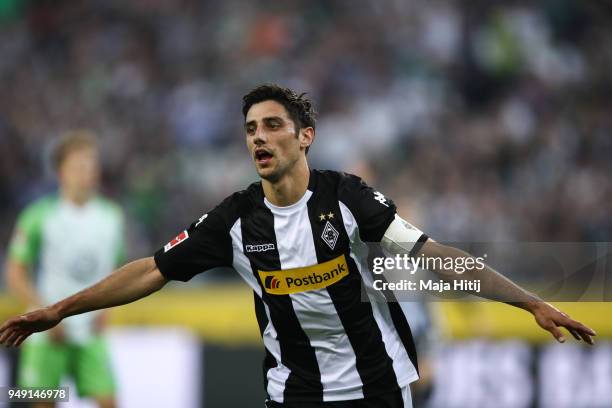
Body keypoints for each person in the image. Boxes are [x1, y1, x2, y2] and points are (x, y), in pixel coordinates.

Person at [0, 85, 595, 408]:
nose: (259, 137)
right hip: (295, 394)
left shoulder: (348, 198)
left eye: (273, 125)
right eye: (251, 130)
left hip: (378, 389)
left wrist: (530, 302)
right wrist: (59, 308)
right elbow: (151, 270)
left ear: (305, 136)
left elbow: (433, 257)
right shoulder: (233, 220)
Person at [5, 131, 124, 408]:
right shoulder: (38, 216)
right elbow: (15, 271)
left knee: (110, 402)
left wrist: (107, 310)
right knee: (44, 403)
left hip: (90, 332)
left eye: (91, 166)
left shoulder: (112, 217)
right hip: (48, 335)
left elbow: (117, 268)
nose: (87, 173)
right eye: (79, 166)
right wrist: (40, 310)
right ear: (61, 172)